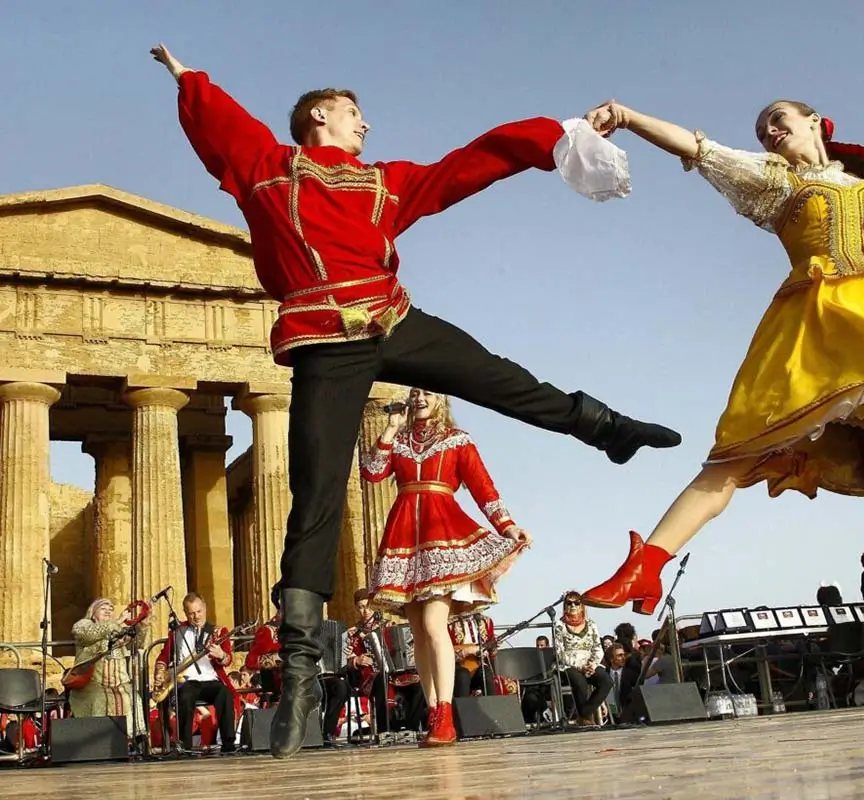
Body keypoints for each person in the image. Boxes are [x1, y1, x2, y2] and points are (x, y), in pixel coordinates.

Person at [149, 43, 681, 759]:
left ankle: (605, 427)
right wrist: (189, 78)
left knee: (499, 378)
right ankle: (301, 675)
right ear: (319, 117)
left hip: (395, 319)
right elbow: (220, 122)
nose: (366, 127)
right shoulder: (268, 168)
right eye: (355, 115)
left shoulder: (385, 183)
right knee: (313, 503)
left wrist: (555, 136)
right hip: (327, 341)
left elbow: (467, 165)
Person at [580, 98, 864, 715]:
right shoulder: (774, 182)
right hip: (816, 334)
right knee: (740, 451)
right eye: (763, 128)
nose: (770, 130)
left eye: (779, 119)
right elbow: (698, 149)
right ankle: (649, 561)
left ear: (815, 121)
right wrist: (632, 118)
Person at [361, 388, 529, 745]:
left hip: (443, 532)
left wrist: (507, 526)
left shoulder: (457, 440)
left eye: (428, 393)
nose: (420, 398)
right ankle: (433, 708)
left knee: (436, 624)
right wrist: (390, 429)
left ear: (441, 400)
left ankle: (446, 715)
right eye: (415, 392)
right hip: (404, 534)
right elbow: (372, 473)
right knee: (418, 631)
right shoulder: (401, 440)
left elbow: (483, 487)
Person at [154, 593, 237, 752]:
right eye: (192, 613)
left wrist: (221, 655)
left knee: (225, 693)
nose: (196, 616)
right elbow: (164, 656)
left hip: (211, 680)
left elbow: (228, 660)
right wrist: (160, 673)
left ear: (205, 609)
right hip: (186, 680)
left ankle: (229, 744)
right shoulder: (178, 632)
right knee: (186, 696)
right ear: (185, 613)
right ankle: (186, 746)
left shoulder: (218, 632)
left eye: (199, 611)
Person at [68, 598, 152, 738]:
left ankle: (127, 741)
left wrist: (143, 625)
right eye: (103, 609)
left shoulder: (119, 629)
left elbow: (138, 645)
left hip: (119, 683)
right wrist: (117, 622)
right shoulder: (83, 625)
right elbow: (87, 635)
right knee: (98, 698)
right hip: (92, 682)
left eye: (110, 610)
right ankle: (96, 740)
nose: (108, 612)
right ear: (93, 613)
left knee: (131, 697)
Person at [552, 591, 611, 725]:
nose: (573, 606)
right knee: (580, 682)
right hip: (568, 665)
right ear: (564, 606)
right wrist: (580, 666)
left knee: (606, 681)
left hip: (590, 663)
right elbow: (560, 653)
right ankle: (586, 718)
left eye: (577, 602)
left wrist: (592, 664)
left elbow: (597, 647)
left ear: (582, 605)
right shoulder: (559, 626)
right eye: (569, 603)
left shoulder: (591, 624)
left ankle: (584, 714)